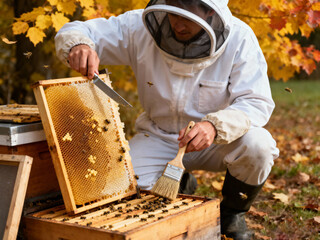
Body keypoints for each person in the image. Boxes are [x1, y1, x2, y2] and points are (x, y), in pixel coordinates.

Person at [55, 0, 279, 239]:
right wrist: (79, 45)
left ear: (211, 11)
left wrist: (215, 125)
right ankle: (179, 181)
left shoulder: (240, 38)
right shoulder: (137, 27)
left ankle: (232, 215)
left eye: (188, 18)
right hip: (158, 136)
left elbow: (256, 102)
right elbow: (77, 29)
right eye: (173, 13)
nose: (178, 25)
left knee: (259, 146)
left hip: (218, 141)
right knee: (122, 191)